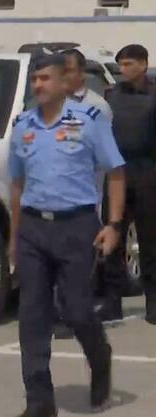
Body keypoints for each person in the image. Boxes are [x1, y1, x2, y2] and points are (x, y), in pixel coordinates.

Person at [8, 54, 125, 417]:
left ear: (63, 82)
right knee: (32, 314)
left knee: (76, 311)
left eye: (45, 78)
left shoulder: (89, 120)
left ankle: (100, 359)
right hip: (33, 227)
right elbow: (16, 183)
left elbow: (116, 172)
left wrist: (114, 224)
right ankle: (39, 399)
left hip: (77, 226)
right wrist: (14, 237)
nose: (38, 85)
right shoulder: (22, 125)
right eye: (35, 79)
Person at [52, 49, 116, 339]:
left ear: (80, 73)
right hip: (51, 193)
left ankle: (75, 316)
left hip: (84, 195)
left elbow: (105, 154)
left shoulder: (97, 107)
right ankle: (59, 312)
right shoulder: (49, 104)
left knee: (77, 259)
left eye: (67, 70)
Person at [102, 44, 156, 325]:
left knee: (150, 241)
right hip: (117, 173)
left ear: (143, 65)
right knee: (114, 238)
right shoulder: (111, 96)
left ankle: (153, 302)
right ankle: (112, 302)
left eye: (128, 64)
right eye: (120, 65)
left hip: (148, 172)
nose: (123, 70)